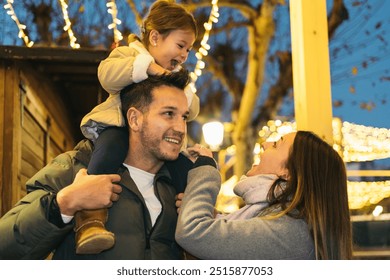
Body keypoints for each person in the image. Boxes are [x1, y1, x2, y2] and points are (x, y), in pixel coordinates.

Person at [0, 70, 191, 259]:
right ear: (135, 119)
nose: (180, 128)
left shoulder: (180, 186)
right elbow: (6, 248)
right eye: (168, 114)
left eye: (184, 117)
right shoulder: (75, 167)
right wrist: (65, 203)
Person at [77, 0, 199, 254]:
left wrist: (178, 86)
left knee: (188, 169)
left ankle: (191, 218)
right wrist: (148, 69)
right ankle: (90, 218)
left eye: (188, 49)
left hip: (155, 141)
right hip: (118, 127)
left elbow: (194, 107)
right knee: (108, 151)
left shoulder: (175, 77)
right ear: (155, 37)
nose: (184, 54)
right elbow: (107, 75)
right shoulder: (129, 55)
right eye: (180, 45)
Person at [176, 131, 353, 260]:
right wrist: (210, 215)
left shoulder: (289, 232)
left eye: (276, 145)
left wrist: (206, 168)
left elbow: (193, 232)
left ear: (288, 172)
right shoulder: (292, 225)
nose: (265, 144)